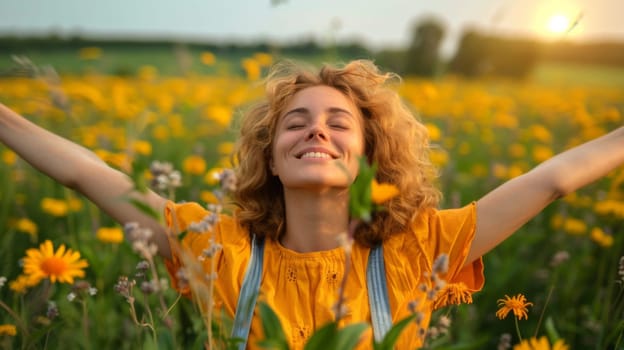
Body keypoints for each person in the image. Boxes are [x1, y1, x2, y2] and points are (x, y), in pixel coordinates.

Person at [1, 59, 623, 349]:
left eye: (338, 123)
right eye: (296, 123)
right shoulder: (217, 247)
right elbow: (88, 174)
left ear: (368, 158)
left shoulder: (419, 248)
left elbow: (554, 180)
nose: (316, 131)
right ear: (270, 158)